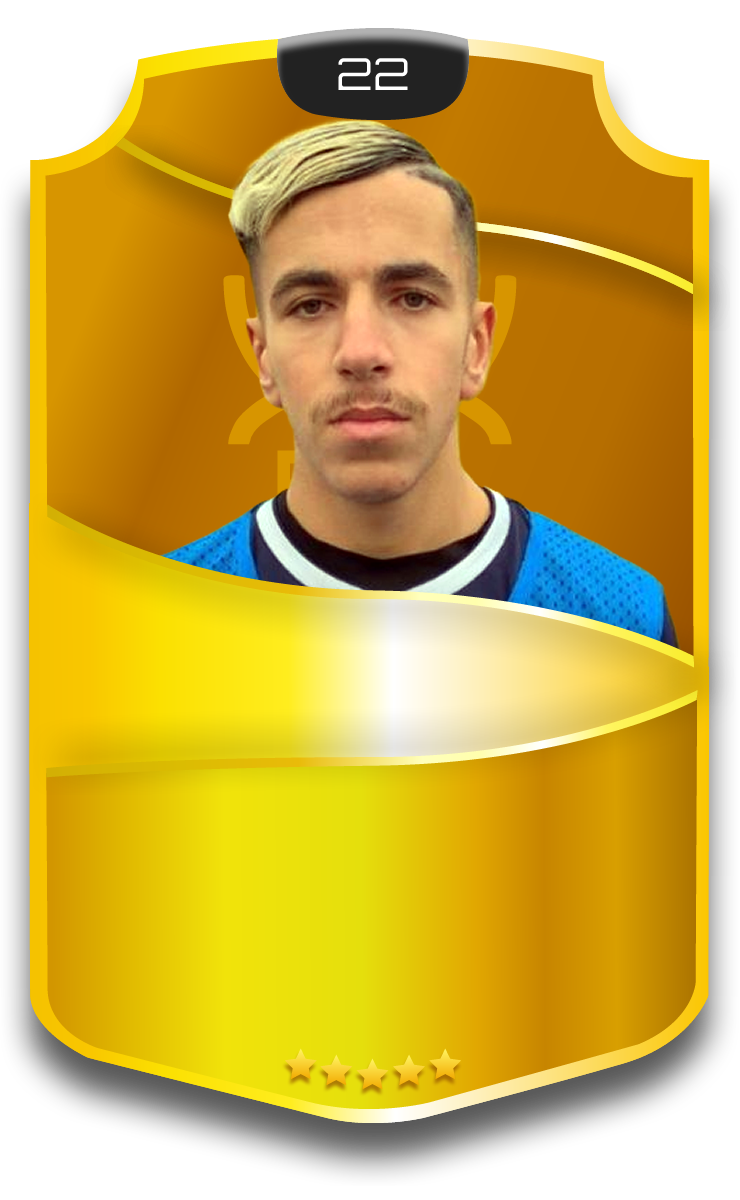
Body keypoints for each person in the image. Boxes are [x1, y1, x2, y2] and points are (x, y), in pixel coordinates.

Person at [164, 121, 678, 647]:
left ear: (476, 346)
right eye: (311, 305)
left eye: (412, 298)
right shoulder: (154, 616)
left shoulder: (620, 617)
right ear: (264, 357)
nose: (361, 352)